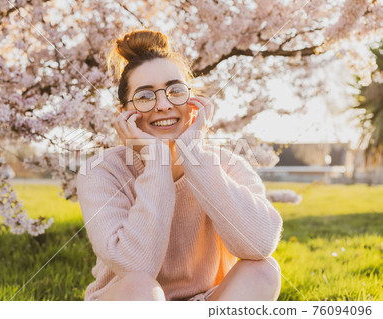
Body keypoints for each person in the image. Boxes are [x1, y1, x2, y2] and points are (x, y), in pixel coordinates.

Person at [77, 29, 283, 301]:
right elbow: (137, 268)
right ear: (124, 114)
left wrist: (194, 154)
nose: (163, 105)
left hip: (206, 302)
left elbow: (259, 245)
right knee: (140, 286)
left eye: (175, 90)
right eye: (145, 96)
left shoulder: (227, 164)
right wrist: (157, 163)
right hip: (130, 301)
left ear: (193, 103)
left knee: (263, 269)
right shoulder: (101, 172)